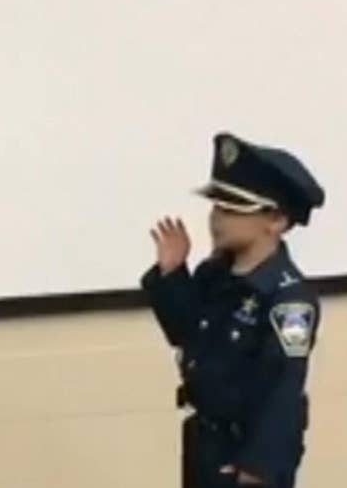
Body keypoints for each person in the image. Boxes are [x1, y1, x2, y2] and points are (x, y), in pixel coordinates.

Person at [141, 132, 325, 488]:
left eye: (232, 209)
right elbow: (187, 333)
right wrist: (172, 274)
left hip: (247, 456)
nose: (217, 219)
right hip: (206, 443)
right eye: (216, 206)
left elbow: (283, 391)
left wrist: (257, 470)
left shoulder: (288, 301)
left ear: (275, 220)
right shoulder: (216, 274)